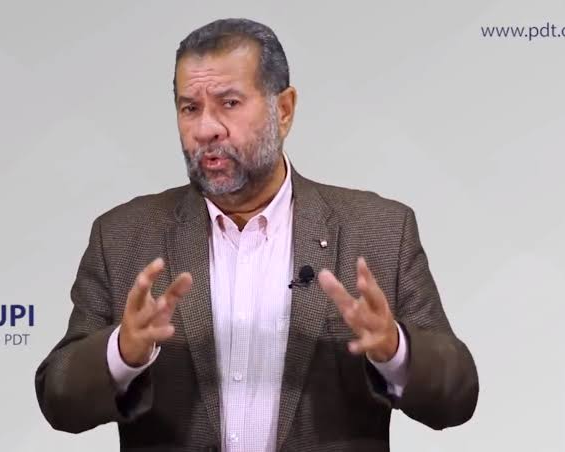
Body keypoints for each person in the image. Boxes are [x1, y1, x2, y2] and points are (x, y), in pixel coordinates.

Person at [35, 18, 478, 452]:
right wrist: (122, 353)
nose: (205, 129)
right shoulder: (123, 237)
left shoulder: (379, 231)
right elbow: (58, 399)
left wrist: (395, 350)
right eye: (190, 108)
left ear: (283, 110)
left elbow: (456, 398)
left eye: (229, 103)